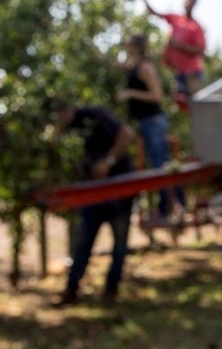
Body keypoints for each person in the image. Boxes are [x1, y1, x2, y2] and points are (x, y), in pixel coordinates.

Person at [48, 100, 137, 306]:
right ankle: (72, 288)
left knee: (120, 243)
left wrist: (108, 162)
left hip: (119, 190)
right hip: (95, 194)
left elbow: (126, 133)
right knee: (84, 242)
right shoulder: (69, 131)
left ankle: (111, 290)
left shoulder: (92, 115)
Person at [116, 33, 186, 220]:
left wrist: (130, 93)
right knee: (160, 164)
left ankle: (167, 208)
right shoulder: (134, 66)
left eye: (129, 44)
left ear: (137, 47)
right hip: (146, 122)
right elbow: (121, 65)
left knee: (161, 166)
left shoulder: (145, 67)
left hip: (153, 121)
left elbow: (157, 96)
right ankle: (172, 206)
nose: (126, 47)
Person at [141, 0, 206, 97]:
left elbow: (200, 50)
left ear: (194, 4)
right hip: (178, 71)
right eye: (187, 0)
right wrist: (144, 0)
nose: (189, 3)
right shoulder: (175, 18)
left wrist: (179, 45)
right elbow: (155, 13)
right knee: (180, 103)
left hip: (191, 73)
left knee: (193, 104)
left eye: (192, 1)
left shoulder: (196, 27)